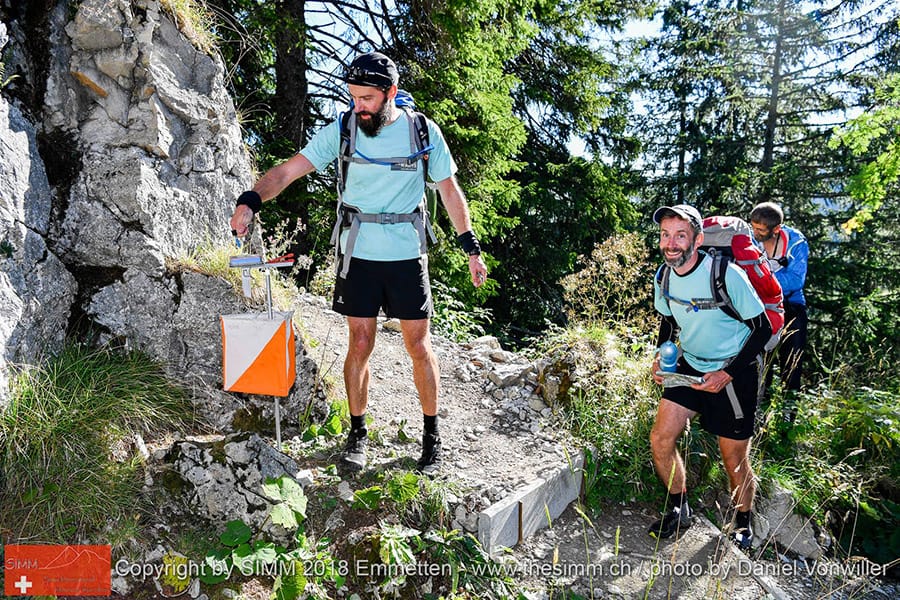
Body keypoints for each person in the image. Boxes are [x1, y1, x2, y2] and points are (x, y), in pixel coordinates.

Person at [230, 52, 488, 475]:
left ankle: (431, 436)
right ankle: (357, 434)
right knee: (361, 343)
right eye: (353, 97)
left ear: (392, 93)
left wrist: (471, 248)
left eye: (367, 98)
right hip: (358, 254)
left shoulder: (422, 131)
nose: (359, 106)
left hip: (407, 254)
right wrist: (251, 200)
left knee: (418, 347)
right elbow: (291, 170)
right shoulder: (344, 129)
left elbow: (448, 189)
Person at [648, 204, 772, 550]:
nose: (671, 243)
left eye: (680, 236)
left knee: (733, 459)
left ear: (697, 240)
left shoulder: (726, 274)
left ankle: (743, 522)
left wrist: (727, 373)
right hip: (689, 365)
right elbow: (668, 319)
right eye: (665, 235)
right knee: (661, 439)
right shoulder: (664, 275)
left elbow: (762, 328)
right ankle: (679, 506)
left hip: (734, 371)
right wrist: (661, 353)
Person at [749, 202, 809, 403]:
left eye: (760, 230)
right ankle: (758, 419)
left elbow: (796, 280)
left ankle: (787, 423)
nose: (755, 232)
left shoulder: (796, 242)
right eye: (753, 227)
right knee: (759, 366)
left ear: (776, 229)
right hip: (759, 308)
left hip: (792, 307)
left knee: (791, 366)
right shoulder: (748, 240)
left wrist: (762, 280)